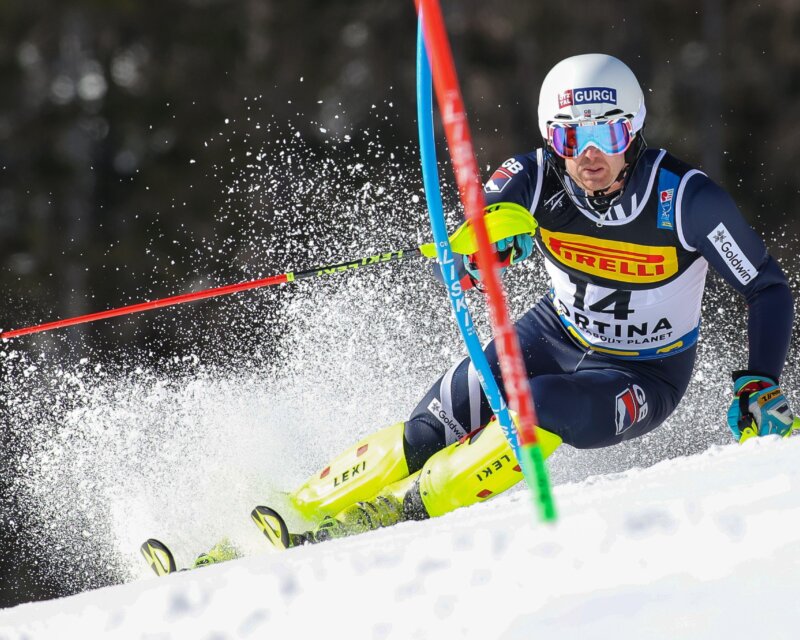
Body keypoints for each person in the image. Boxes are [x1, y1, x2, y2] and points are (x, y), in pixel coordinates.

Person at [197, 53, 797, 565]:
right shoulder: (534, 177)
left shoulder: (685, 199)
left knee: (536, 406)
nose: (589, 156)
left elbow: (766, 286)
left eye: (607, 135)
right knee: (429, 431)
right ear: (550, 139)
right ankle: (285, 514)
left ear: (634, 131)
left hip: (643, 372)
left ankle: (399, 512)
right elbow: (464, 239)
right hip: (554, 332)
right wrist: (482, 245)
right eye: (569, 137)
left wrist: (759, 380)